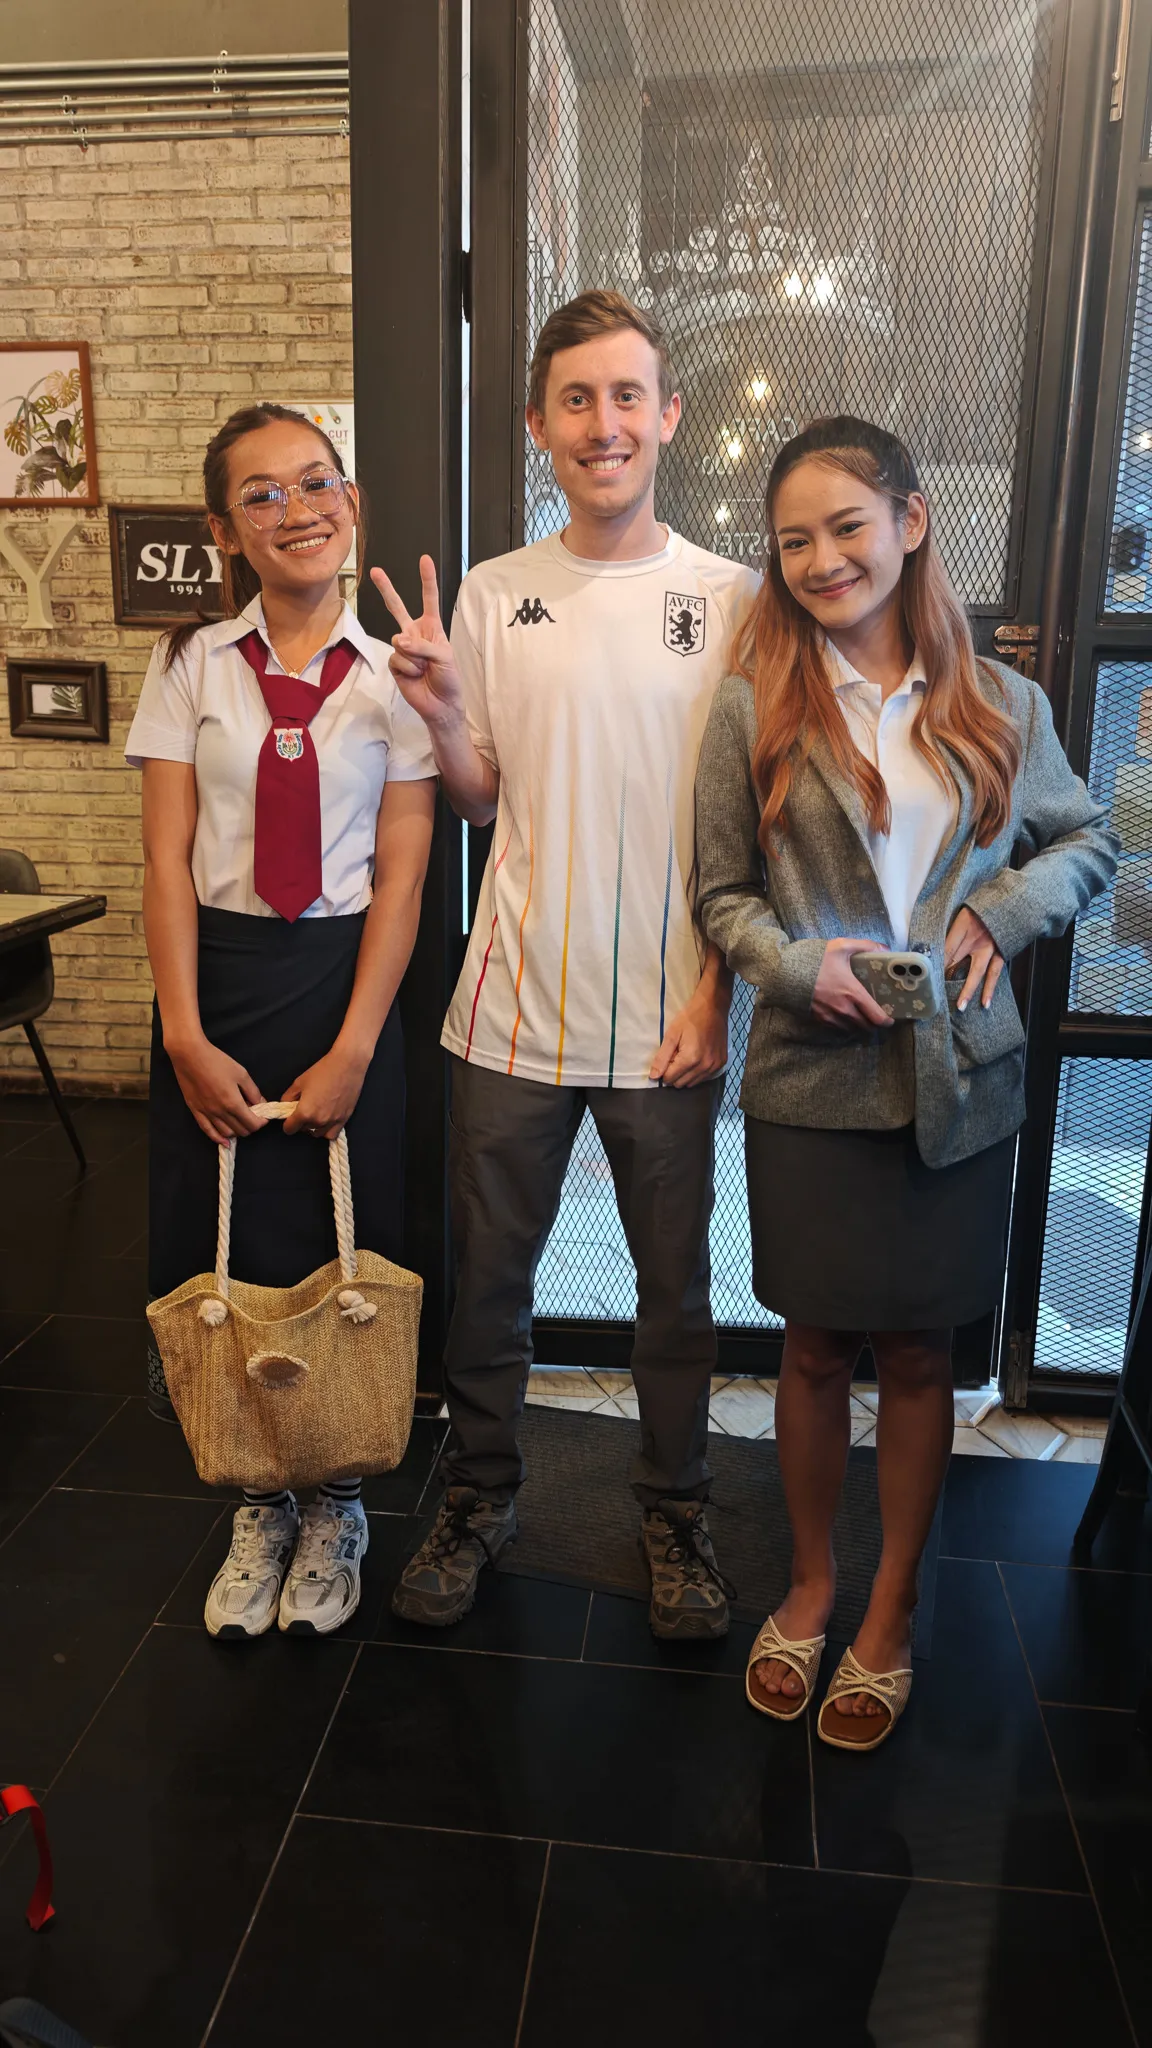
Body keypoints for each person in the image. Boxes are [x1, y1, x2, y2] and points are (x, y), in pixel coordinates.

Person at [695, 415, 1116, 1747]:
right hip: (813, 1077)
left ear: (913, 522)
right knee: (813, 1350)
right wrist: (791, 964)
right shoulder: (753, 701)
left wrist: (1003, 906)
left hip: (960, 1081)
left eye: (848, 528)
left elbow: (1089, 843)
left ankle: (894, 1607)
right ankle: (814, 1586)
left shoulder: (1002, 702)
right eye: (795, 541)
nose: (823, 560)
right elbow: (718, 897)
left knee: (924, 1355)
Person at [373, 290, 758, 1638]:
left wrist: (722, 990)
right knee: (488, 1281)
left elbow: (752, 822)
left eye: (628, 396)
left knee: (675, 1293)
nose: (606, 425)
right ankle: (479, 1495)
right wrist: (438, 708)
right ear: (539, 426)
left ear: (667, 417)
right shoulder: (493, 592)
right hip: (510, 1010)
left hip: (669, 1018)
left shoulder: (732, 601)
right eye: (578, 400)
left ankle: (679, 1516)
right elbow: (481, 799)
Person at [126, 402, 437, 1640]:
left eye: (317, 483)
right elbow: (161, 865)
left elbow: (406, 876)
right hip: (219, 985)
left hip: (345, 983)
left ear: (351, 501)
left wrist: (360, 1041)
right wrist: (183, 1034)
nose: (296, 508)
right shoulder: (189, 665)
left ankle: (341, 1497)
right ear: (224, 528)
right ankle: (259, 1498)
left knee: (341, 1254)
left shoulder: (399, 675)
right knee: (230, 1254)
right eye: (262, 493)